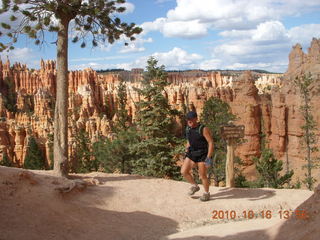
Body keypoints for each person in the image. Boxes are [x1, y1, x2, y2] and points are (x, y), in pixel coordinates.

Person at [181, 111, 214, 201]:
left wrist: (208, 158)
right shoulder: (188, 128)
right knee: (184, 171)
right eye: (188, 121)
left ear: (196, 119)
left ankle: (206, 193)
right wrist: (186, 149)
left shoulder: (203, 129)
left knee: (202, 175)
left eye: (191, 120)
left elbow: (210, 142)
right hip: (192, 153)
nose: (189, 122)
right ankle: (195, 186)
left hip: (202, 154)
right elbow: (189, 140)